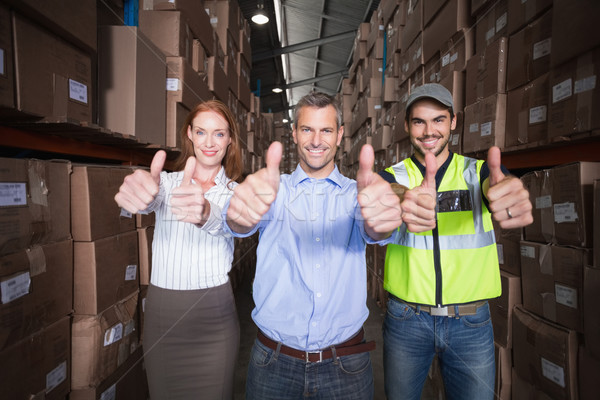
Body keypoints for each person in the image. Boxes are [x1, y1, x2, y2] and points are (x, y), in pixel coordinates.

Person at [223, 91, 413, 400]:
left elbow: (374, 231)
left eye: (326, 130)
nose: (316, 140)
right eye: (307, 129)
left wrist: (382, 223)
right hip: (274, 362)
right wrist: (238, 217)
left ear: (339, 135)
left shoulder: (356, 195)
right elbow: (240, 223)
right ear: (295, 134)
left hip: (345, 365)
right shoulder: (274, 190)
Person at [379, 83, 533, 400]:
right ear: (406, 125)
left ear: (453, 121)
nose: (428, 130)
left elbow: (498, 183)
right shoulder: (393, 176)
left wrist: (508, 189)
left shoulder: (477, 173)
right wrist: (401, 197)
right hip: (407, 320)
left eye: (438, 119)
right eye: (418, 121)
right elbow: (381, 192)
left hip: (470, 323)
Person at [114, 100, 243, 400]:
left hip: (214, 316)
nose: (209, 142)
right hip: (163, 315)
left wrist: (206, 212)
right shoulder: (166, 184)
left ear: (230, 140)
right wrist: (140, 195)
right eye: (201, 132)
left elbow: (232, 222)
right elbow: (149, 200)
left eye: (219, 134)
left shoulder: (236, 193)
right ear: (189, 135)